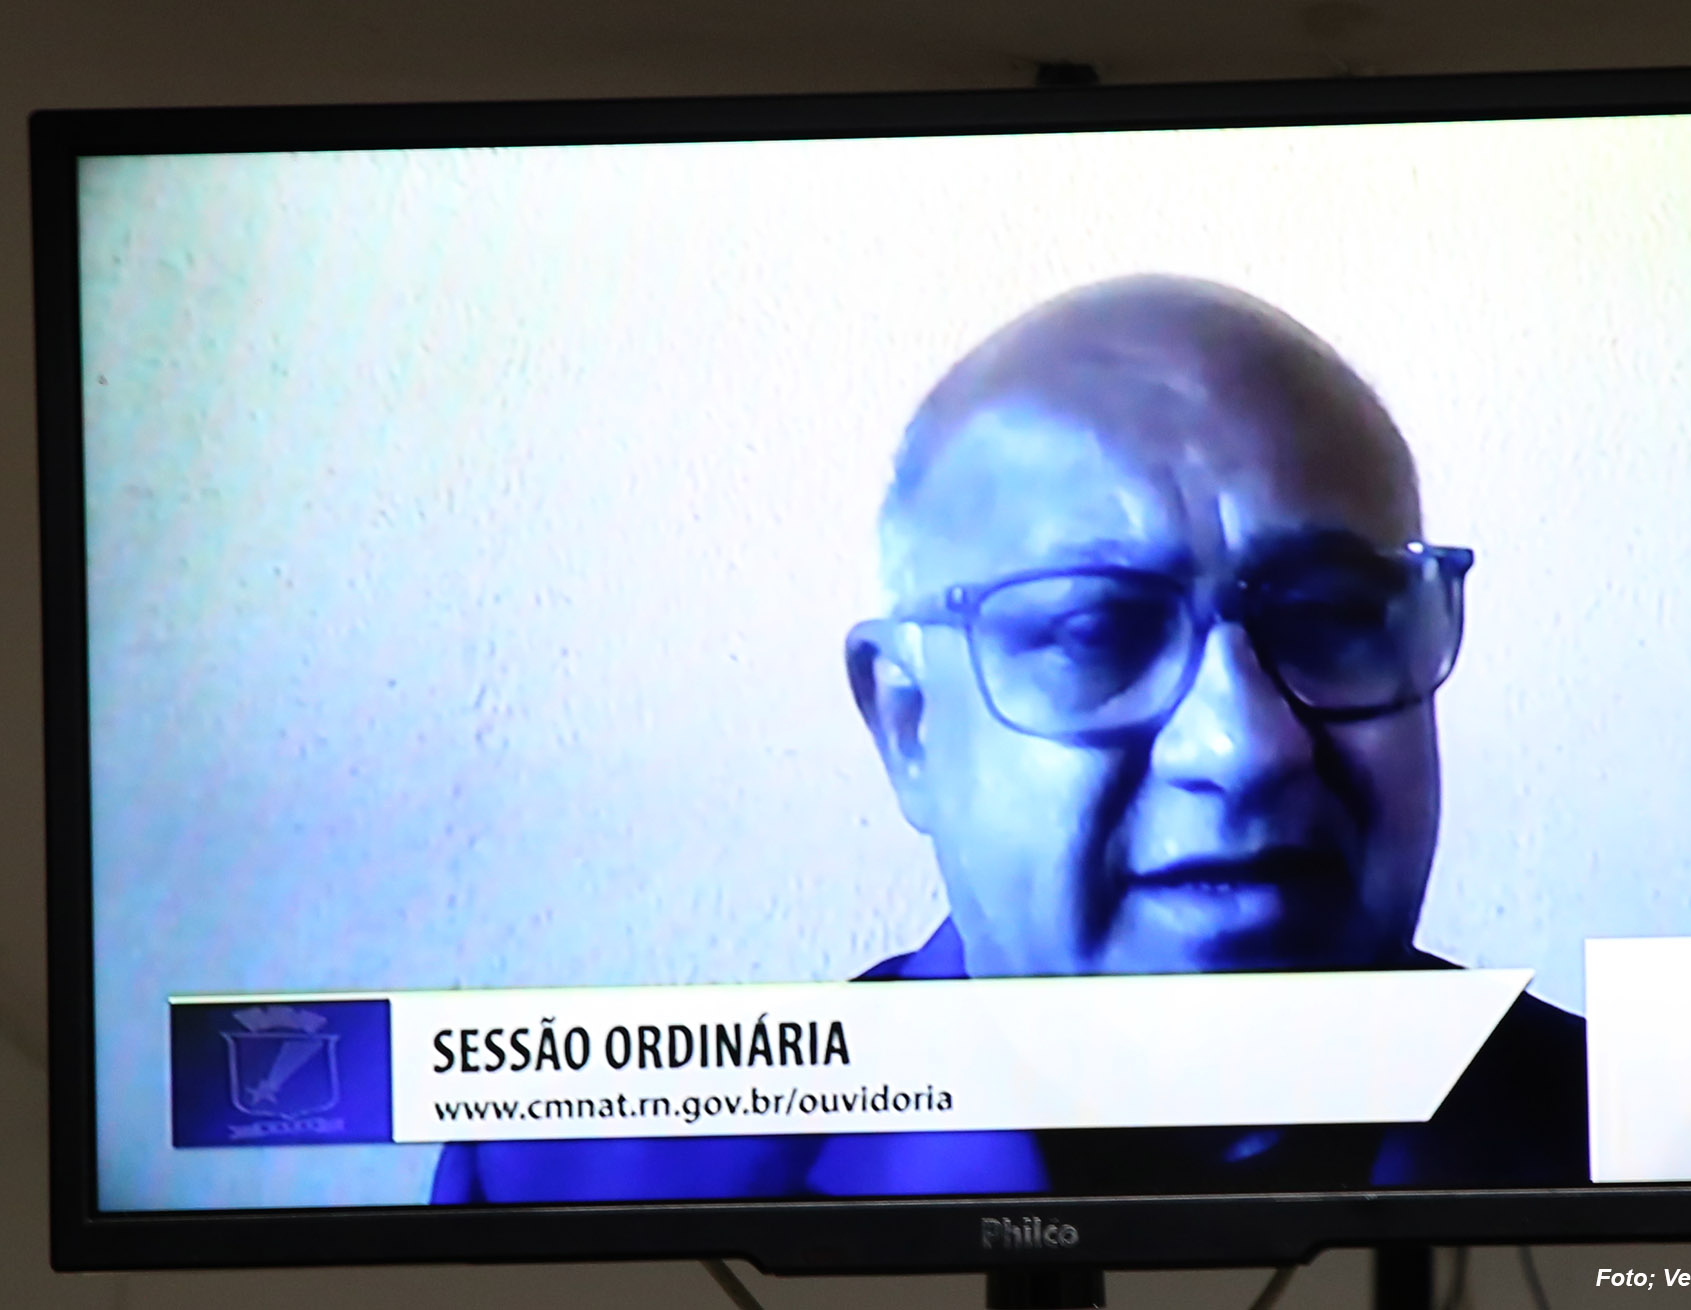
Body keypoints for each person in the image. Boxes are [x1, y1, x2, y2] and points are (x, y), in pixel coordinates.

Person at [433, 275, 1587, 1203]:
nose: (1244, 748)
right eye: (1094, 632)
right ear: (909, 728)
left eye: (1331, 614)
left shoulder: (1641, 1142)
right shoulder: (576, 1187)